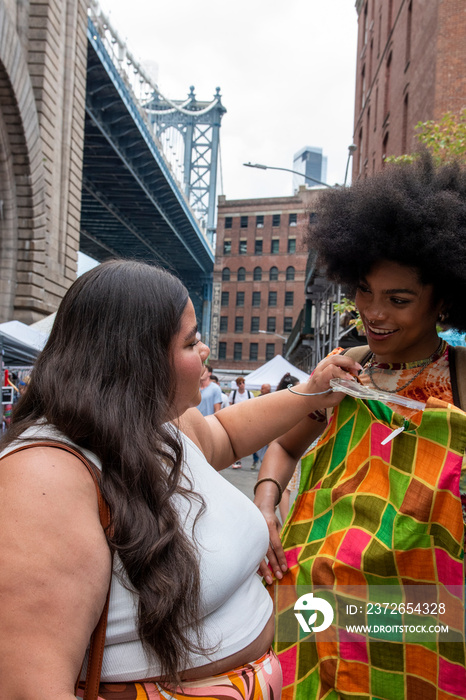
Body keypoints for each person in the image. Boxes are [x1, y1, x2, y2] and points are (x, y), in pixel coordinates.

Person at [0, 259, 361, 700]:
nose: (205, 350)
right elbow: (28, 686)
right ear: (137, 360)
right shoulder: (42, 478)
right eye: (191, 342)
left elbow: (225, 433)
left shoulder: (158, 424)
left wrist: (313, 390)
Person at [254, 155, 466, 700]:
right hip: (312, 596)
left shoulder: (461, 376)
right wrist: (266, 506)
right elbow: (282, 443)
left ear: (442, 300)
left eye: (398, 300)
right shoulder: (344, 367)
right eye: (364, 292)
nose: (374, 313)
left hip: (413, 603)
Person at [274, 373, 301, 523]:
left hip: (282, 448)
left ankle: (284, 522)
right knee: (285, 488)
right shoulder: (291, 403)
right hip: (288, 448)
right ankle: (286, 523)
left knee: (282, 486)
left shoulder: (278, 400)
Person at [230, 377, 256, 468]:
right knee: (237, 440)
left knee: (250, 441)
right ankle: (237, 460)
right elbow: (230, 406)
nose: (242, 385)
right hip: (236, 420)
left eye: (243, 382)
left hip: (247, 420)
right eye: (240, 383)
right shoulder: (233, 394)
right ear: (237, 385)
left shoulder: (249, 394)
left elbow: (253, 406)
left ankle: (255, 461)